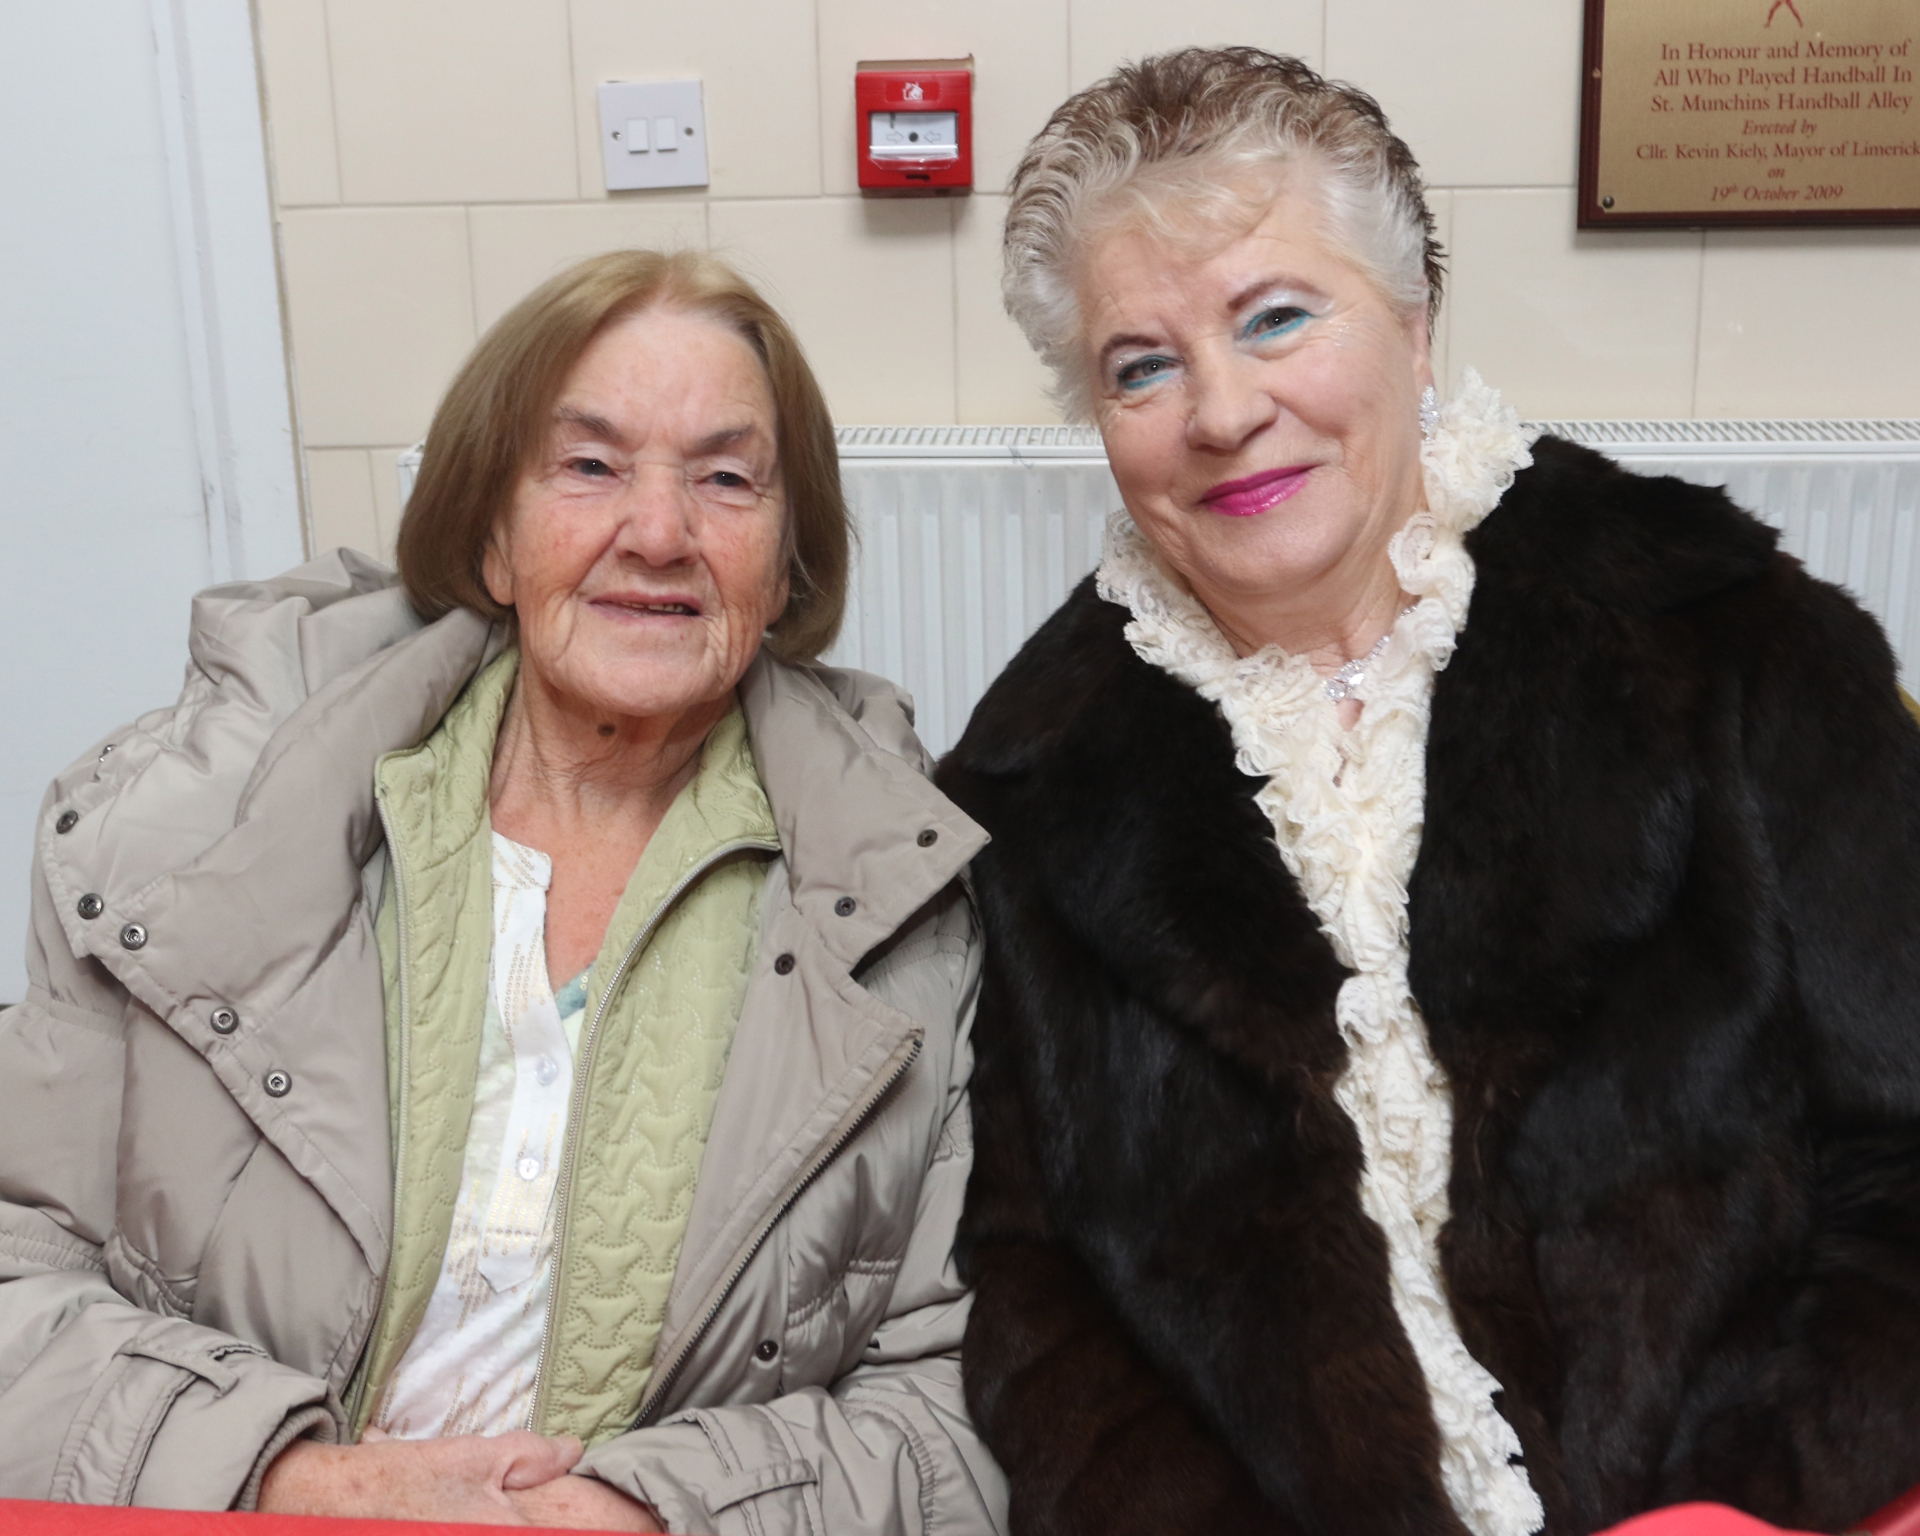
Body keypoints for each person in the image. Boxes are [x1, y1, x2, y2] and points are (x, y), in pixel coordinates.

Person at [936, 46, 1920, 1536]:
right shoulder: (1026, 785)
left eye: (1277, 317)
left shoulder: (1724, 631)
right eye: (1141, 365)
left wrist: (1767, 1493)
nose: (1221, 410)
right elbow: (1033, 1297)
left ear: (1413, 320)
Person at [0, 249, 1007, 1536]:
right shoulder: (184, 832)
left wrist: (648, 1513)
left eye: (726, 478)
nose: (659, 533)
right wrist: (303, 1483)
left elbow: (957, 1405)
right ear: (490, 535)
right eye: (588, 466)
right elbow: (19, 1268)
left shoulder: (917, 911)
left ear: (786, 561)